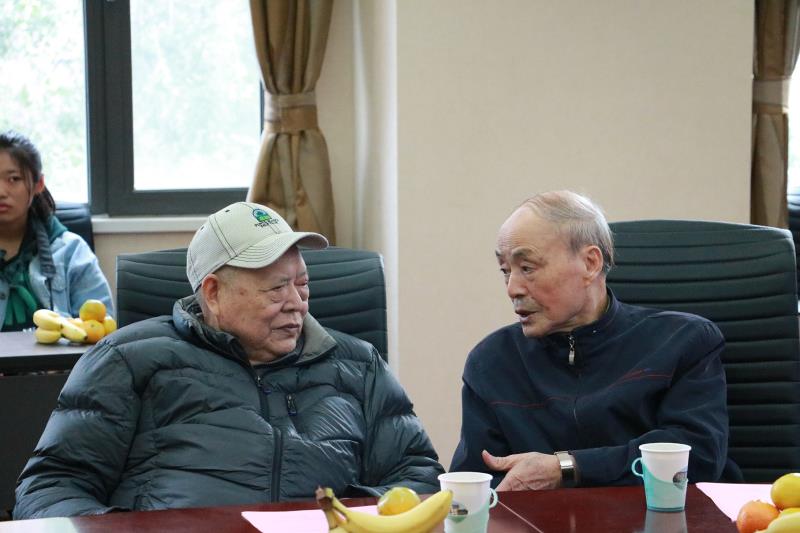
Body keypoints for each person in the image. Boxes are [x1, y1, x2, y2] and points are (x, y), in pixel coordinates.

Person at [13, 201, 444, 519]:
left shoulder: (358, 365)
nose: (297, 304)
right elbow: (51, 487)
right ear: (214, 292)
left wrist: (353, 516)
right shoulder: (127, 360)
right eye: (276, 289)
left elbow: (418, 475)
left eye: (302, 284)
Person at [450, 190, 740, 491]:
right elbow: (474, 484)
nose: (513, 288)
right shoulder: (492, 362)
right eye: (505, 271)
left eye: (527, 268)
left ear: (590, 263)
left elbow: (696, 456)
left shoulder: (683, 341)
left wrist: (568, 468)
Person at [0, 130, 112, 331]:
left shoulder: (72, 251)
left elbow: (101, 328)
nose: (1, 192)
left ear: (38, 184)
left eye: (13, 179)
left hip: (58, 354)